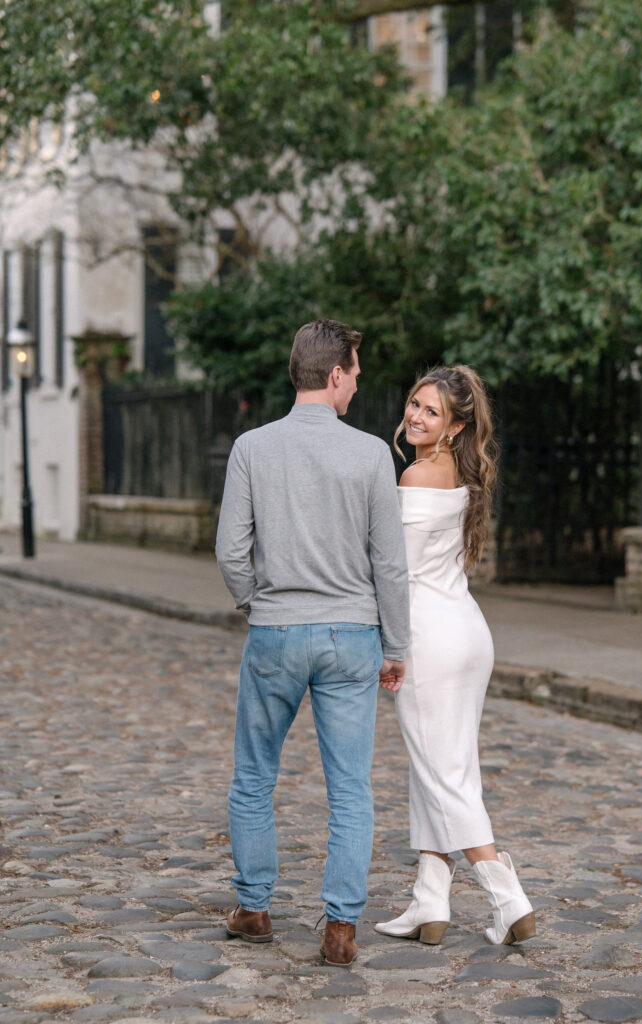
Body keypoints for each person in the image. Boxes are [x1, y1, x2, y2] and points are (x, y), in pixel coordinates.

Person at [215, 319, 410, 967]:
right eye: (354, 372)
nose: (357, 383)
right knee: (350, 787)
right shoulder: (368, 454)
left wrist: (255, 598)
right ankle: (340, 928)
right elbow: (389, 563)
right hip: (351, 633)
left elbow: (230, 551)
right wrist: (396, 644)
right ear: (333, 376)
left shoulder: (252, 447)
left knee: (253, 776)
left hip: (275, 631)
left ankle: (254, 908)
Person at [376, 366, 535, 947]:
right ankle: (429, 899)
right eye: (414, 404)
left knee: (444, 773)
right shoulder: (463, 474)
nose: (416, 417)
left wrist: (383, 641)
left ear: (456, 424)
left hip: (429, 640)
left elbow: (392, 570)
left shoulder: (418, 473)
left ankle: (505, 893)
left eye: (431, 411)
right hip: (467, 631)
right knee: (441, 763)